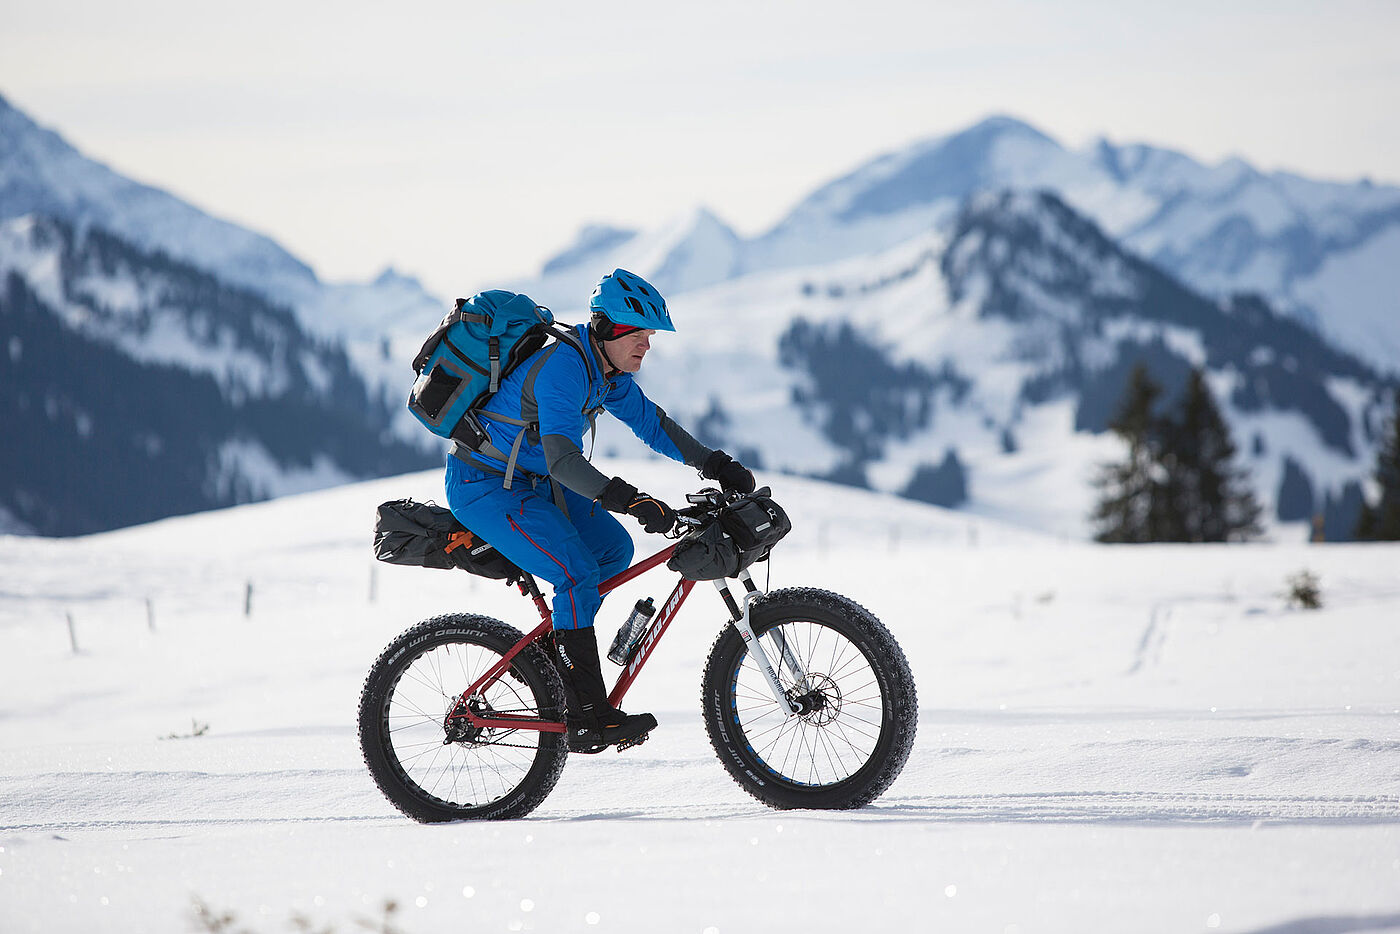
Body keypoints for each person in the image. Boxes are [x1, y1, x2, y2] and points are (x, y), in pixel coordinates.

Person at [444, 268, 756, 753]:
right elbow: (563, 460)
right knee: (576, 573)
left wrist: (715, 464)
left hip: (533, 482)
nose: (646, 346)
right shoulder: (564, 369)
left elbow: (655, 426)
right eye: (638, 334)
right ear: (607, 328)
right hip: (485, 486)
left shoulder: (607, 373)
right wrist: (628, 499)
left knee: (614, 550)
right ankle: (588, 714)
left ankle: (556, 662)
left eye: (649, 336)